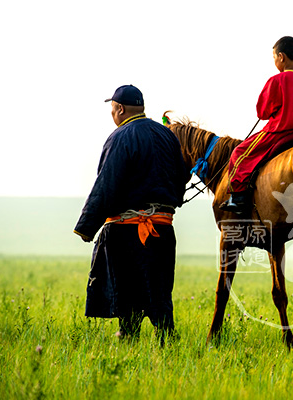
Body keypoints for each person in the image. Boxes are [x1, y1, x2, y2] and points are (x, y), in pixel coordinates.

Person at [74, 84, 189, 344]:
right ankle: (168, 343)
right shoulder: (168, 136)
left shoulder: (120, 137)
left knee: (126, 295)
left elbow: (106, 184)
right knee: (160, 293)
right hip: (163, 228)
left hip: (127, 231)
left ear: (120, 109)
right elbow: (181, 177)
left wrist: (86, 226)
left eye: (112, 109)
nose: (112, 114)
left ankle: (129, 342)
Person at [220, 36, 293, 214]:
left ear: (281, 57)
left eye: (274, 57)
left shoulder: (277, 80)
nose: (274, 61)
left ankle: (238, 197)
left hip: (281, 132)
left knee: (239, 153)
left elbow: (262, 112)